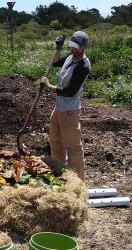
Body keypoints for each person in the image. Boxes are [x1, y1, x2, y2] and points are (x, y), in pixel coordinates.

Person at [41, 31, 91, 180]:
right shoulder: (70, 58)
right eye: (71, 47)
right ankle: (59, 174)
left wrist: (49, 86)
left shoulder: (83, 66)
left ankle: (77, 182)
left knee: (73, 147)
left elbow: (70, 92)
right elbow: (55, 63)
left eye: (77, 48)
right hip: (59, 108)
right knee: (55, 141)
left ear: (85, 46)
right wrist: (58, 48)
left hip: (70, 111)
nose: (73, 50)